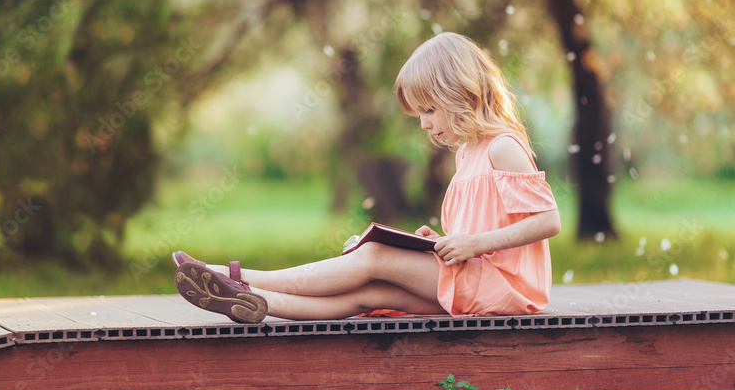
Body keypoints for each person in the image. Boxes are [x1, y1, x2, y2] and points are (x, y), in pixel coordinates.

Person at [172, 32, 562, 323]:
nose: (425, 124)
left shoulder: (503, 146)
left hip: (505, 288)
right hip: (478, 280)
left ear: (459, 93)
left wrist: (471, 244)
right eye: (419, 116)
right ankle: (253, 302)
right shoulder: (467, 153)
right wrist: (442, 243)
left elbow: (548, 221)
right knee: (370, 294)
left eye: (429, 110)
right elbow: (485, 232)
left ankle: (233, 277)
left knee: (372, 255)